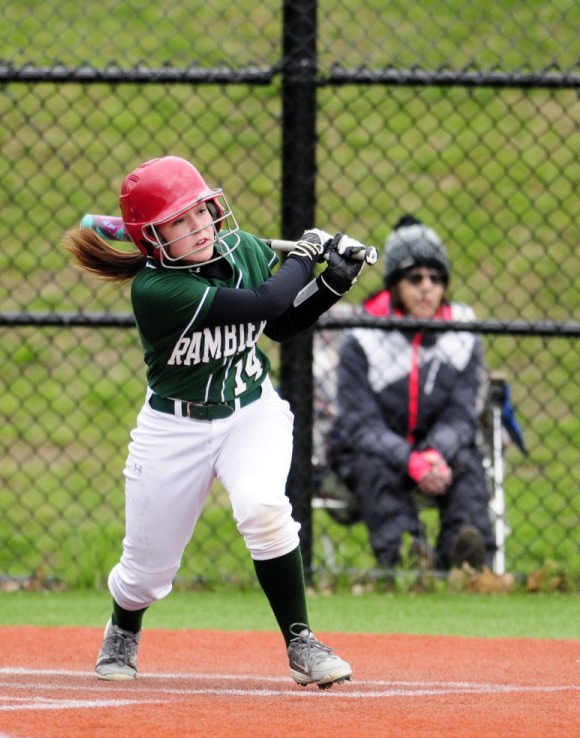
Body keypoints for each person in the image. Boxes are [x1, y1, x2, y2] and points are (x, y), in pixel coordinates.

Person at [63, 155, 367, 689]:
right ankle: (123, 626)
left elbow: (278, 322)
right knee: (146, 573)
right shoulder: (156, 291)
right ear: (152, 239)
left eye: (200, 211)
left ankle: (301, 640)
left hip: (251, 411)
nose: (198, 226)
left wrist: (329, 285)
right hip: (173, 428)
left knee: (265, 507)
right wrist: (306, 255)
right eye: (177, 222)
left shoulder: (243, 249)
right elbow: (265, 298)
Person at [327, 214, 495, 572]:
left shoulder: (463, 334)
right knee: (374, 468)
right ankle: (406, 559)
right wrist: (410, 460)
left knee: (465, 464)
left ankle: (464, 561)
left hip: (434, 448)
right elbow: (361, 423)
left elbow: (462, 413)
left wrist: (434, 452)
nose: (426, 287)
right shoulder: (362, 337)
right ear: (393, 284)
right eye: (414, 277)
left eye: (436, 278)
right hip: (374, 448)